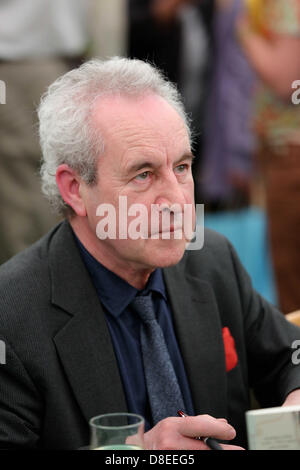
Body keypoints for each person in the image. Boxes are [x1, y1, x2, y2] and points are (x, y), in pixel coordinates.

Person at [0, 57, 300, 450]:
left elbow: (288, 356)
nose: (176, 201)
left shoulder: (210, 260)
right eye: (143, 175)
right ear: (74, 189)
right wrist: (134, 453)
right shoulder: (13, 315)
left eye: (181, 166)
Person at [236, 0, 300, 313]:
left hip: (291, 153)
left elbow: (286, 82)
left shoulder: (284, 5)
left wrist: (245, 31)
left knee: (292, 282)